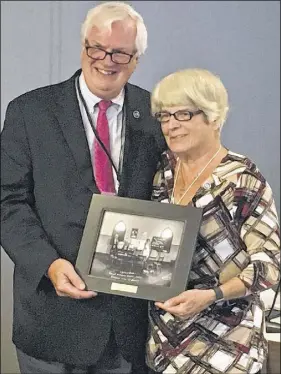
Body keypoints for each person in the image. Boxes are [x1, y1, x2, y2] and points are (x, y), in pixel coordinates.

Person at [1, 2, 165, 373]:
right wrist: (49, 264)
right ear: (83, 47)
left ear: (136, 59)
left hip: (127, 328)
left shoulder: (156, 115)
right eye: (97, 48)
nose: (107, 60)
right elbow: (6, 202)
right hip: (51, 321)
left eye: (121, 53)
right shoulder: (30, 112)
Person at [146, 68, 280, 374]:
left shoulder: (242, 178)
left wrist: (212, 295)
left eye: (183, 114)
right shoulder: (162, 171)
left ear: (214, 117)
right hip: (165, 344)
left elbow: (270, 265)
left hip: (227, 346)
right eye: (165, 116)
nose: (171, 125)